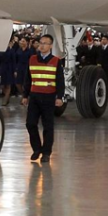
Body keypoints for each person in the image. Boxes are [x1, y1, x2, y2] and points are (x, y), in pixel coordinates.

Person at [21, 34, 64, 163]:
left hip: (49, 97)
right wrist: (25, 95)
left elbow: (60, 80)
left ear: (51, 46)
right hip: (34, 96)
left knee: (48, 126)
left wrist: (59, 96)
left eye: (45, 43)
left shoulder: (56, 61)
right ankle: (36, 149)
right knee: (30, 123)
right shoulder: (32, 59)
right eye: (40, 43)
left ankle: (46, 153)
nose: (42, 45)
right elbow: (28, 78)